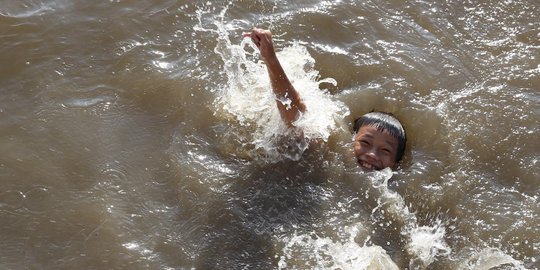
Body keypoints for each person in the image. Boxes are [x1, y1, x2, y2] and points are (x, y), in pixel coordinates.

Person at [245, 28, 406, 171]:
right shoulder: (328, 155)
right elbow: (296, 115)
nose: (371, 154)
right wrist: (271, 60)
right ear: (350, 142)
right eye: (364, 142)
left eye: (386, 151)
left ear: (395, 164)